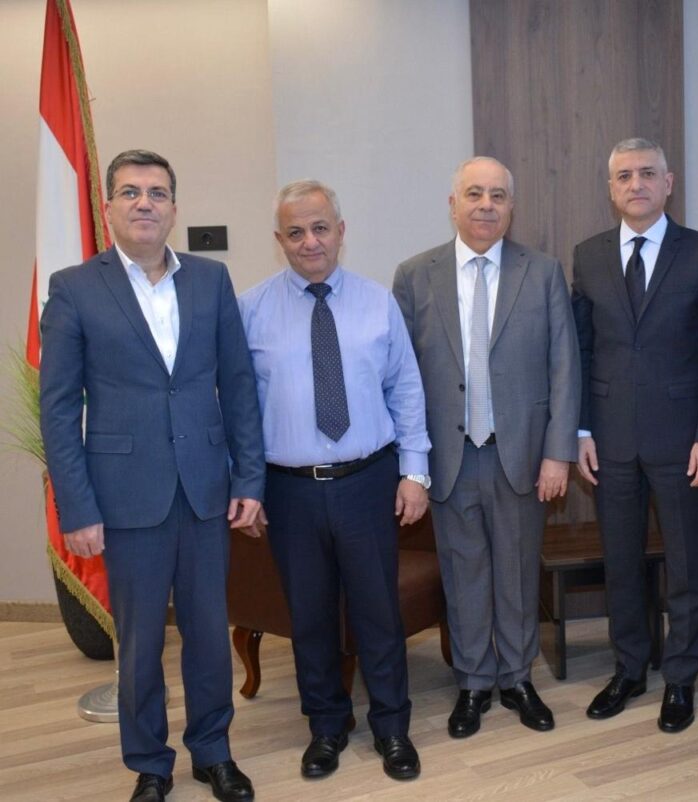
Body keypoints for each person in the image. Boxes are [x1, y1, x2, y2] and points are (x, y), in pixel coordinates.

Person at [39, 150, 264, 802]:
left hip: (205, 492)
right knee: (139, 646)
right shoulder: (75, 287)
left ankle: (213, 753)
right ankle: (150, 765)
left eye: (157, 192)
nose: (145, 202)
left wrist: (249, 481)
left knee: (209, 637)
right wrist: (77, 507)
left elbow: (239, 385)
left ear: (174, 208)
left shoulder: (210, 280)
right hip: (125, 498)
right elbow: (59, 408)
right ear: (109, 207)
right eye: (131, 192)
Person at [238, 180, 430, 782]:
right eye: (295, 232)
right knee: (310, 615)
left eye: (320, 228)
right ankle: (326, 727)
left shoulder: (378, 303)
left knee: (378, 611)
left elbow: (406, 390)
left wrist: (414, 472)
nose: (310, 241)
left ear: (341, 232)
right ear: (279, 240)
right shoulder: (250, 310)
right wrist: (246, 487)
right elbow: (238, 410)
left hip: (367, 481)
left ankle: (392, 726)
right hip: (288, 489)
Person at [393, 157, 580, 739]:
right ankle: (473, 682)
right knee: (464, 573)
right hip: (448, 457)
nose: (486, 205)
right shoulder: (415, 275)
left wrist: (558, 453)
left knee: (518, 572)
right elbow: (400, 377)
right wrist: (410, 465)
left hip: (520, 453)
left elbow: (564, 367)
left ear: (511, 207)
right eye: (474, 193)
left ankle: (518, 678)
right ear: (453, 204)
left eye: (498, 195)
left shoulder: (542, 272)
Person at [572, 137, 698, 733]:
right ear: (611, 189)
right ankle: (630, 669)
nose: (635, 184)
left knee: (686, 565)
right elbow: (582, 351)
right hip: (609, 439)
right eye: (623, 176)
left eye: (647, 173)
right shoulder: (588, 255)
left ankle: (681, 678)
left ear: (668, 183)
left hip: (683, 441)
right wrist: (581, 429)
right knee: (621, 563)